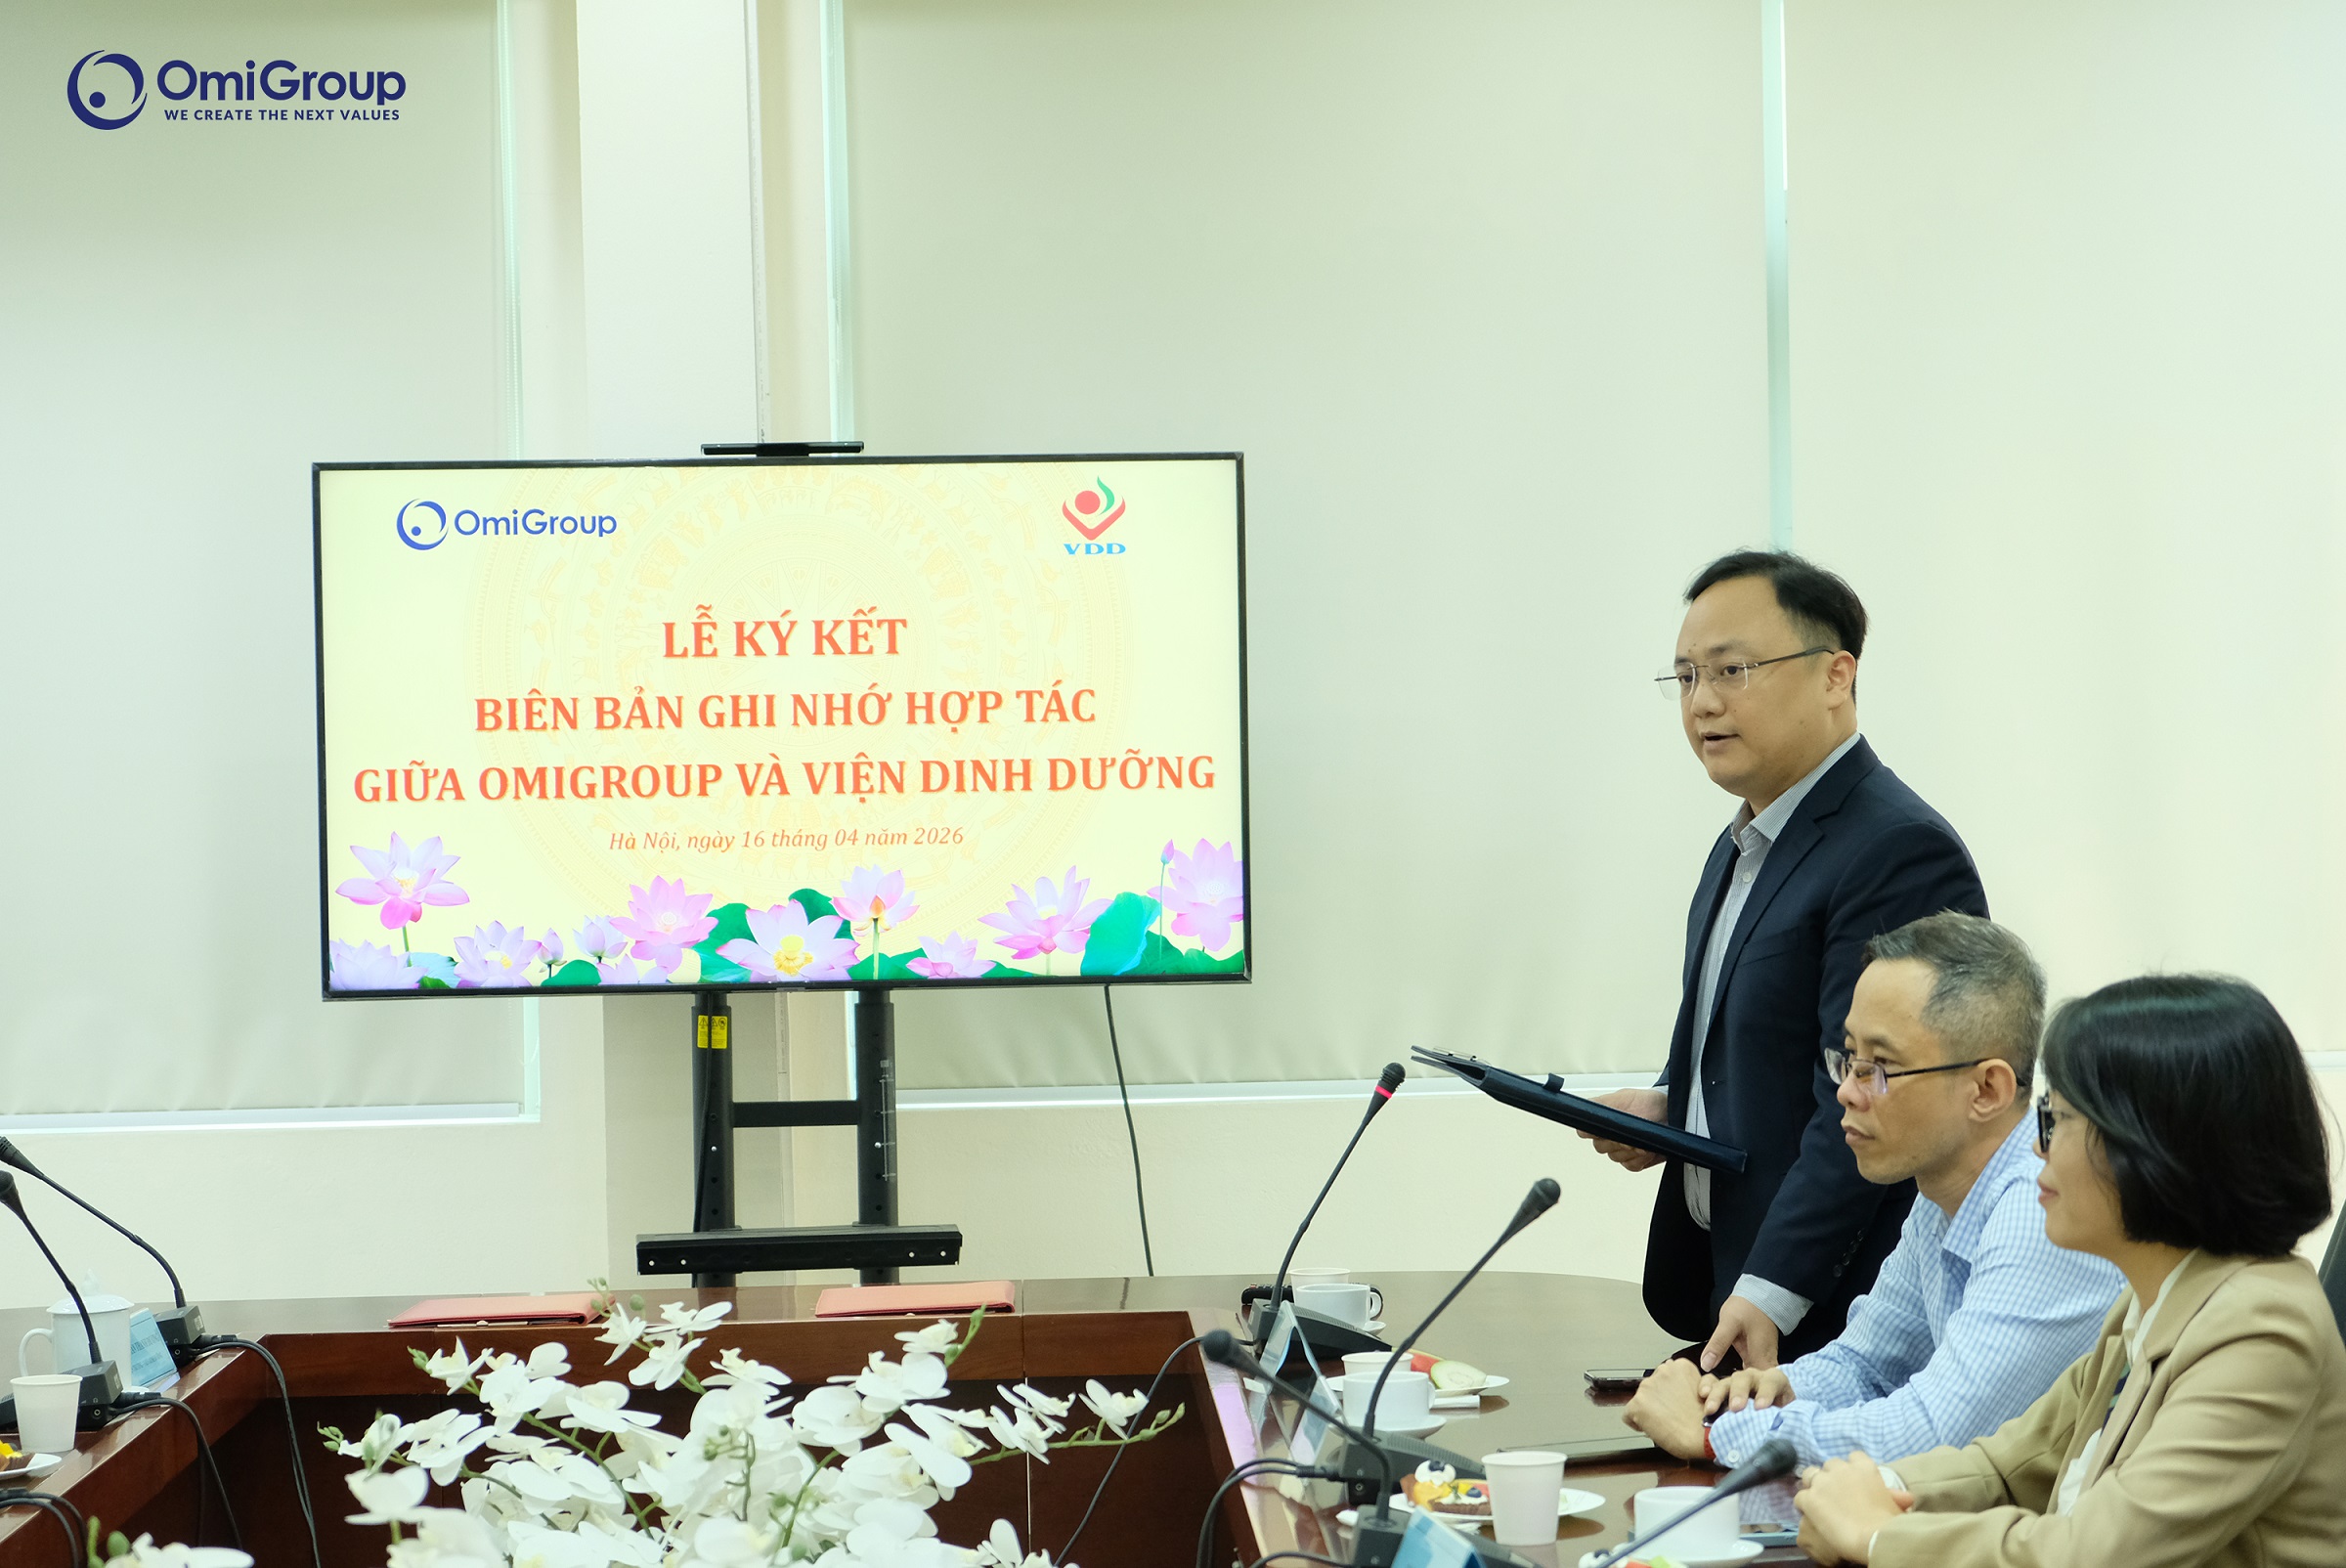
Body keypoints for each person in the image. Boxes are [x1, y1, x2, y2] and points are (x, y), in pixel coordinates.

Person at [1585, 551, 1988, 1370]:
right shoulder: (1743, 843)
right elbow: (1756, 1044)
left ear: (1836, 675)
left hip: (1841, 1318)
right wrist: (1674, 1107)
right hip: (1736, 1291)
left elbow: (1872, 1099)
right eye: (1686, 676)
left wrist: (1771, 1289)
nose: (1703, 702)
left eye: (1731, 670)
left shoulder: (1896, 850)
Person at [1795, 975, 2346, 1568]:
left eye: (2056, 1119)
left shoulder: (2262, 1329)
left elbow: (2094, 1554)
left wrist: (1877, 1536)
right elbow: (2009, 1465)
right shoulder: (2151, 1301)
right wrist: (1867, 1489)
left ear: (2152, 1144)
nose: (2039, 1147)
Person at [1621, 913, 2120, 1466]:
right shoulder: (1940, 1192)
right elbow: (1866, 1367)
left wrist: (1718, 1436)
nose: (1847, 1092)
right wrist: (1764, 1395)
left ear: (1987, 1089)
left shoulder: (2040, 1210)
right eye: (1848, 1058)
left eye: (1880, 1066)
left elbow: (1936, 1434)